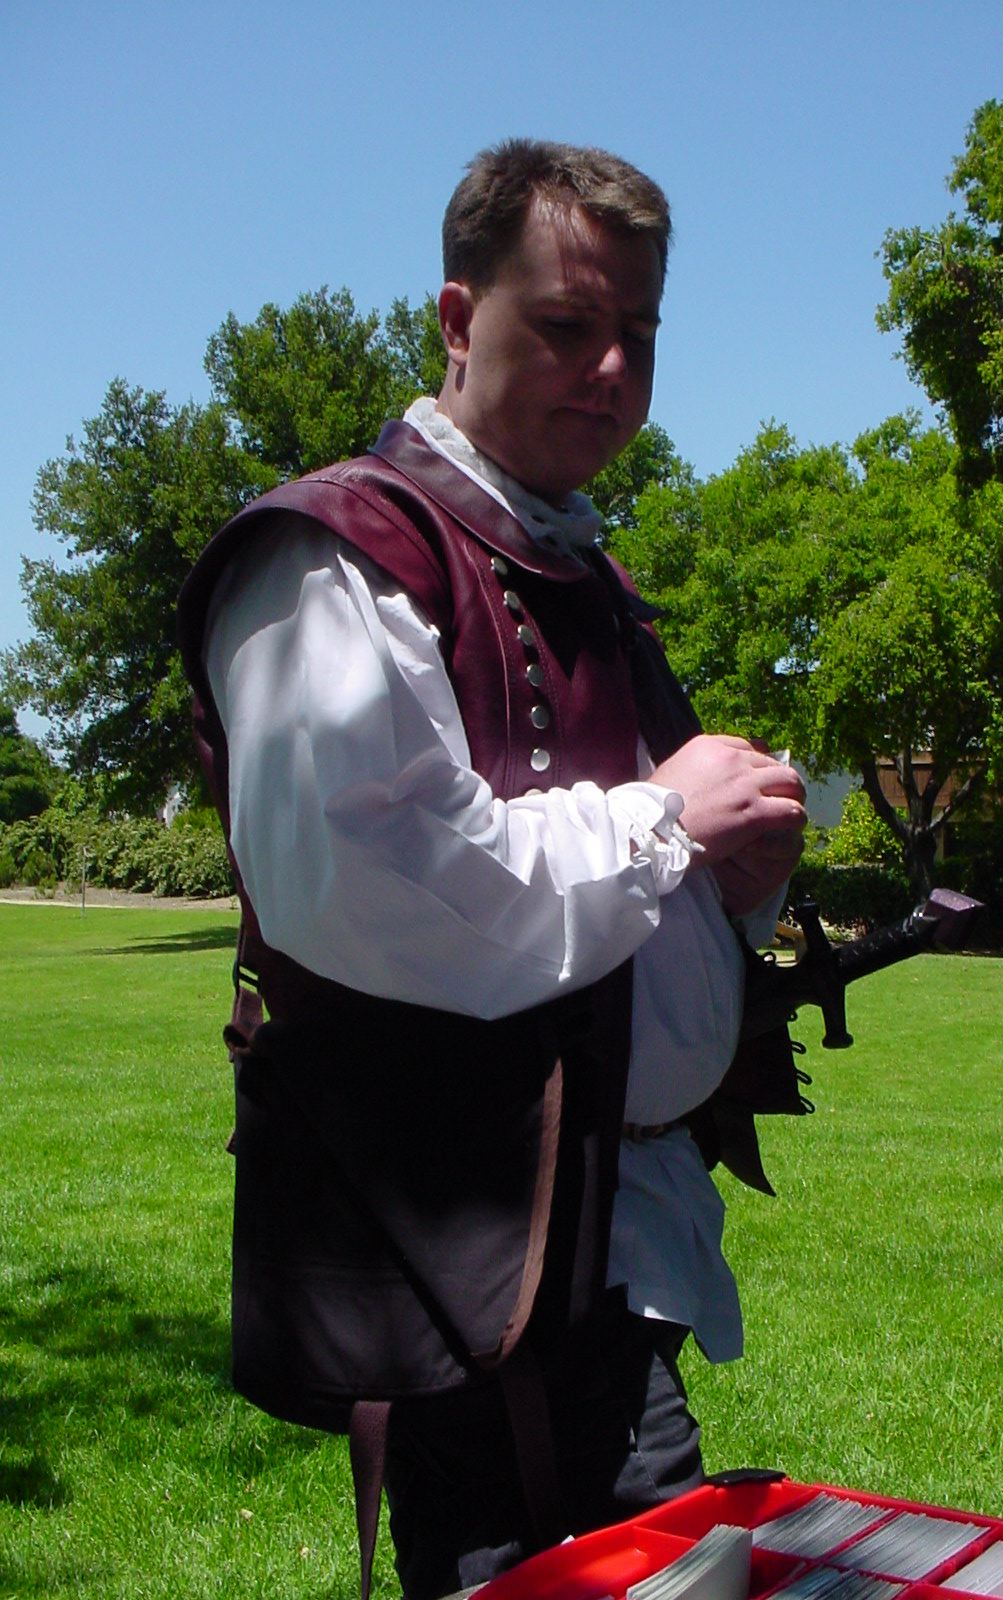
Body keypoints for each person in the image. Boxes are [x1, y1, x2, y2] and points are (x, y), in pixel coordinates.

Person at [178, 138, 809, 1599]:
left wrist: (733, 870)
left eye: (638, 331)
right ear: (460, 320)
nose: (613, 369)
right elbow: (380, 885)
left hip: (603, 1243)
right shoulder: (338, 555)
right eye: (570, 324)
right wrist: (667, 821)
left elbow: (627, 860)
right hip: (462, 1250)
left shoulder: (579, 573)